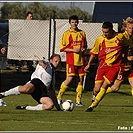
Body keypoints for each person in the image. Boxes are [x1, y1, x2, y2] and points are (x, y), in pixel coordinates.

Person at [84, 21, 126, 112]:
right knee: (97, 88)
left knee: (105, 85)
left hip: (115, 66)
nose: (104, 34)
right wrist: (88, 64)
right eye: (103, 32)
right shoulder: (100, 39)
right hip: (103, 65)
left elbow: (128, 44)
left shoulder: (120, 37)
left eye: (106, 32)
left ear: (112, 30)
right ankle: (95, 95)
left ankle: (92, 106)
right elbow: (94, 52)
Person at [57, 15, 87, 106]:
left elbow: (85, 45)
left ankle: (78, 101)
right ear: (70, 23)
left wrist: (83, 49)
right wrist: (74, 50)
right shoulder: (66, 34)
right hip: (71, 61)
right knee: (69, 79)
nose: (74, 24)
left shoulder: (82, 33)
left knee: (80, 80)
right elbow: (62, 48)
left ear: (78, 22)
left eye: (76, 22)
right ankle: (59, 97)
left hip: (81, 61)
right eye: (72, 22)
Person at [106, 17, 133, 96]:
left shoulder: (131, 37)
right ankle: (98, 94)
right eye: (130, 28)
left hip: (130, 66)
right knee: (115, 88)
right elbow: (118, 50)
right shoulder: (122, 37)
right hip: (122, 66)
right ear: (125, 28)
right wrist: (126, 57)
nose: (131, 30)